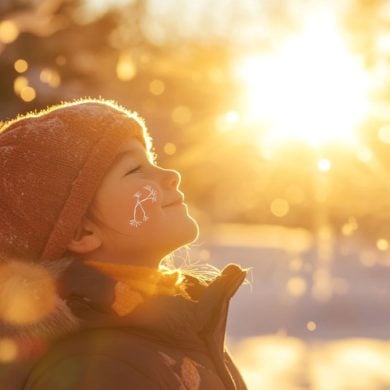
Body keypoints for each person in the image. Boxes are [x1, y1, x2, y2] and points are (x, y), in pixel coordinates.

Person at [0, 98, 247, 389]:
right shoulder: (97, 369)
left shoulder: (168, 325)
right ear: (81, 233)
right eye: (135, 170)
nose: (171, 176)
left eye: (152, 161)